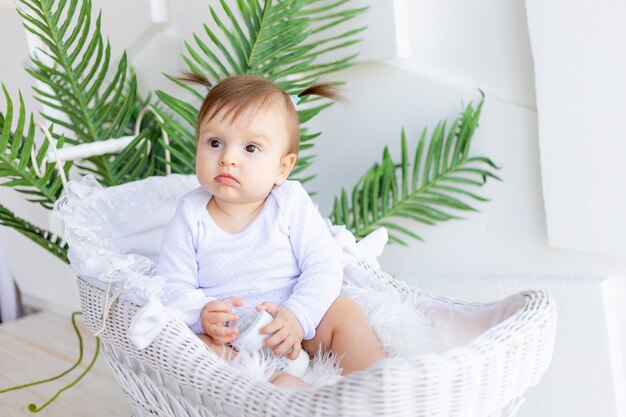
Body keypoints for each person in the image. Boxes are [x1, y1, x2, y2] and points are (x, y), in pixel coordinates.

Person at [155, 73, 386, 389]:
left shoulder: (289, 201)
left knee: (344, 310)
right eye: (214, 142)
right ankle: (292, 396)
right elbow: (173, 285)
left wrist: (297, 316)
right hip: (237, 342)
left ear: (282, 168)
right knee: (193, 345)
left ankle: (378, 387)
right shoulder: (190, 215)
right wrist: (201, 315)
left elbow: (324, 265)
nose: (227, 158)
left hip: (299, 328)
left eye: (250, 147)